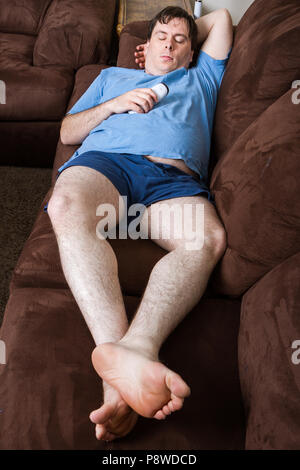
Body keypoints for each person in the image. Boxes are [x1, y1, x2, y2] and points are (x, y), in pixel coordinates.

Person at [45, 6, 233, 442]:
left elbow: (221, 17)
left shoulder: (200, 77)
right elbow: (68, 132)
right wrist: (114, 105)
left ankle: (136, 349)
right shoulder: (112, 78)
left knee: (207, 239)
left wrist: (171, 42)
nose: (169, 43)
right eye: (161, 36)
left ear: (192, 51)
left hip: (172, 181)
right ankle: (118, 380)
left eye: (179, 39)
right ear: (142, 47)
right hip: (107, 166)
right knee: (67, 204)